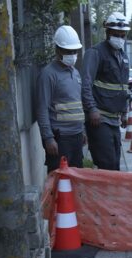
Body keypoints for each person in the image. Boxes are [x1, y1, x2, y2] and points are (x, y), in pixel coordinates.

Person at [81, 12, 131, 171]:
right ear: (107, 32)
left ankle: (110, 196)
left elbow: (123, 86)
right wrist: (92, 109)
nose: (120, 38)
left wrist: (124, 111)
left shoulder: (122, 56)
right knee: (107, 164)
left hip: (114, 120)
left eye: (123, 35)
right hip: (99, 119)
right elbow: (86, 84)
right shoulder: (95, 53)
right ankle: (103, 196)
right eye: (116, 34)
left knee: (115, 163)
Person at [35, 25, 86, 173]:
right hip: (59, 139)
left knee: (76, 180)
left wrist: (82, 131)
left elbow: (77, 104)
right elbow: (42, 108)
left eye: (74, 51)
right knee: (59, 182)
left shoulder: (75, 73)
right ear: (57, 50)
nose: (72, 54)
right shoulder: (48, 74)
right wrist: (48, 138)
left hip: (76, 136)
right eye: (68, 51)